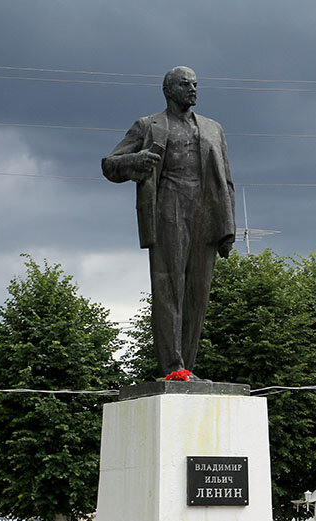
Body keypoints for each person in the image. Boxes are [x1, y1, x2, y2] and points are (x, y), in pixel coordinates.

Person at [102, 66, 236, 380]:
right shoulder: (148, 126)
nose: (193, 89)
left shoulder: (213, 128)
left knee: (197, 295)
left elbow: (226, 180)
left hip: (205, 212)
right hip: (168, 207)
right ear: (168, 90)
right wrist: (137, 160)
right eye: (185, 84)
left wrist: (227, 226)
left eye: (195, 84)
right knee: (169, 289)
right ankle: (172, 367)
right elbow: (109, 165)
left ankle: (186, 368)